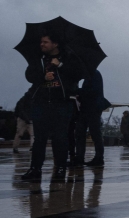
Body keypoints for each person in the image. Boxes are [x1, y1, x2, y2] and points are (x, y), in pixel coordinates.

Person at [21, 33, 86, 181]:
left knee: (60, 137)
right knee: (39, 139)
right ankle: (35, 169)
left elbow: (78, 74)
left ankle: (60, 169)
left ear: (55, 44)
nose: (42, 45)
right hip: (41, 101)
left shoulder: (69, 58)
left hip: (62, 102)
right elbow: (29, 75)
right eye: (41, 42)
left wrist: (60, 65)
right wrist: (42, 76)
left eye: (45, 42)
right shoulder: (39, 59)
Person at [75, 69, 110, 167]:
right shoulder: (92, 74)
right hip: (88, 107)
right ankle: (81, 157)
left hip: (92, 108)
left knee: (94, 133)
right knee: (82, 132)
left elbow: (93, 91)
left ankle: (98, 157)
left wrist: (78, 91)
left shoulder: (93, 74)